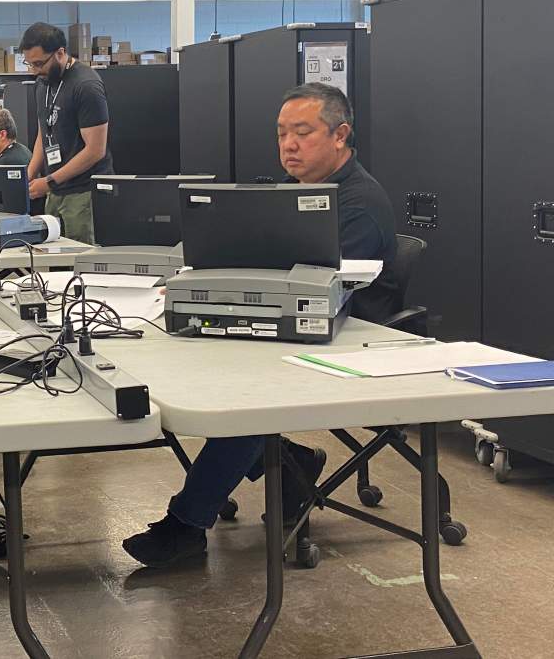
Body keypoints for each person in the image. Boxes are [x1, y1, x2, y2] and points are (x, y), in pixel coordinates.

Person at [121, 82, 398, 570]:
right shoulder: (290, 192)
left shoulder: (359, 205)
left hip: (344, 341)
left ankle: (187, 524)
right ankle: (291, 462)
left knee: (245, 402)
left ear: (340, 135)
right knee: (198, 369)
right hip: (287, 329)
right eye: (281, 134)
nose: (289, 145)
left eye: (303, 133)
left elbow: (320, 288)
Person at [20, 22, 113, 244]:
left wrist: (50, 182)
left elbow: (95, 150)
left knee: (80, 257)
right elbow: (44, 131)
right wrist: (29, 174)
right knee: (53, 255)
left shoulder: (86, 85)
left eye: (39, 63)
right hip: (55, 190)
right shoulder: (43, 83)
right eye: (29, 64)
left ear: (60, 53)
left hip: (83, 193)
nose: (34, 70)